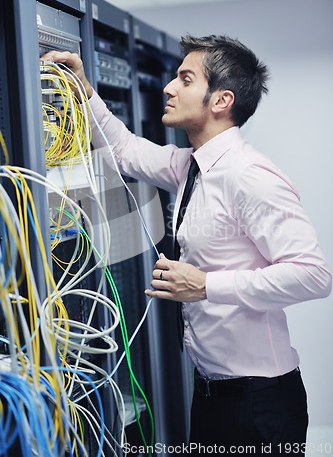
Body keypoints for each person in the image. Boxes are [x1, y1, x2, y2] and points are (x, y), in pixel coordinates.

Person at [41, 36, 332, 455]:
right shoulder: (188, 167)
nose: (169, 88)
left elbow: (314, 275)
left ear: (221, 100)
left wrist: (206, 285)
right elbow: (124, 150)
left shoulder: (249, 176)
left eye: (185, 79)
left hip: (258, 403)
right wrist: (85, 91)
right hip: (212, 394)